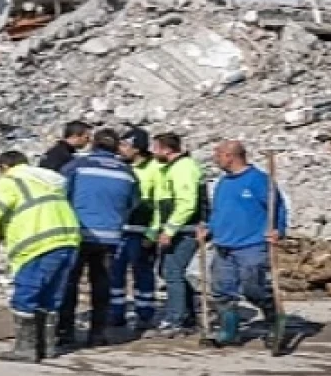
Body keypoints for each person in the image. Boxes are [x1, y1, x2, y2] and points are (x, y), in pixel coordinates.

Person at [0, 151, 81, 363]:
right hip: (68, 239)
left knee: (26, 294)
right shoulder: (50, 180)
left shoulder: (10, 180)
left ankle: (26, 349)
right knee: (50, 296)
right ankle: (47, 347)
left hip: (37, 241)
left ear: (4, 166)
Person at [198, 140, 287, 347]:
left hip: (252, 245)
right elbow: (220, 212)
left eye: (218, 154)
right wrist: (209, 228)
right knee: (221, 290)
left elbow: (278, 208)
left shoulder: (259, 181)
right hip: (224, 245)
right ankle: (229, 331)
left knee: (253, 288)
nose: (215, 158)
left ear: (231, 156)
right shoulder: (223, 183)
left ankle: (274, 320)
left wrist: (278, 230)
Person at [58, 129, 139, 348]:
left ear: (93, 144)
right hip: (110, 239)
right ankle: (98, 333)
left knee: (69, 283)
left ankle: (65, 332)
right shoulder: (127, 172)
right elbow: (134, 203)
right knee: (102, 285)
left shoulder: (78, 166)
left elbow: (60, 193)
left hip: (78, 234)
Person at [147, 132, 207, 338]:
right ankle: (185, 316)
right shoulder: (170, 169)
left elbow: (187, 203)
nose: (153, 153)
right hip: (177, 229)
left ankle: (175, 320)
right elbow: (162, 204)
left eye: (156, 148)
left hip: (186, 230)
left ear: (167, 150)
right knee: (169, 271)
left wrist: (170, 229)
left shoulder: (184, 168)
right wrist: (155, 229)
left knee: (173, 271)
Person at [109, 128, 161, 329]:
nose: (120, 149)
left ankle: (145, 314)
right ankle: (116, 312)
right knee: (115, 272)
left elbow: (159, 202)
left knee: (143, 272)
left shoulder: (154, 168)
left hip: (142, 230)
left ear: (137, 148)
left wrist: (153, 231)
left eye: (125, 145)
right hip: (120, 228)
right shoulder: (119, 167)